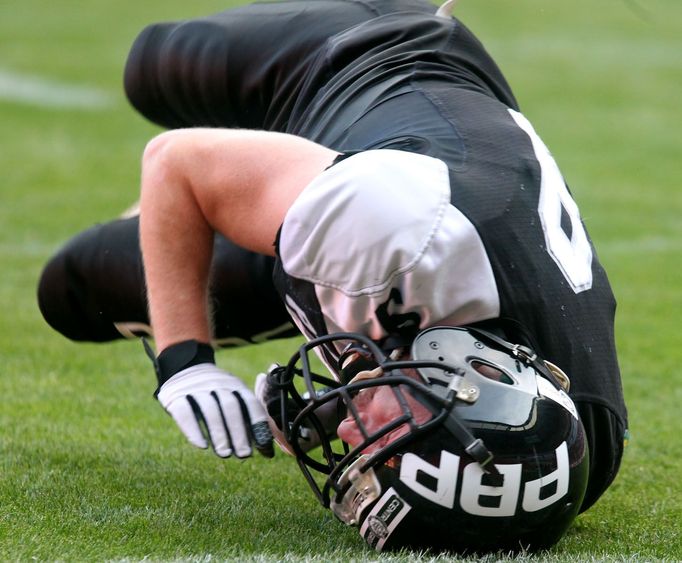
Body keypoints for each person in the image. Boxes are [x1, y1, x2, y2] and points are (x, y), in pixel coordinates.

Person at [37, 0, 628, 553]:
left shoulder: (572, 457)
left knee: (74, 288)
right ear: (467, 371)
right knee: (152, 65)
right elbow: (174, 162)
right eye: (382, 437)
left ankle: (261, 194)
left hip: (384, 228)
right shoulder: (398, 234)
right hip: (362, 58)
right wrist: (184, 363)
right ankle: (258, 183)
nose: (350, 436)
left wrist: (330, 407)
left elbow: (445, 407)